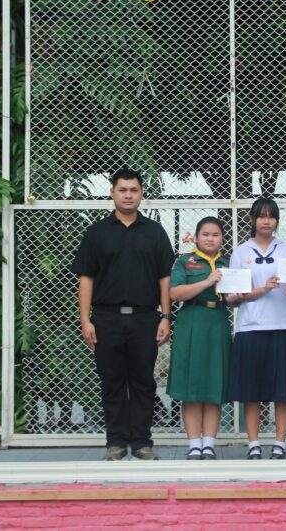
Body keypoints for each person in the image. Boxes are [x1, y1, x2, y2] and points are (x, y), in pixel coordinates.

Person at [72, 168, 175, 461]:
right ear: (112, 193)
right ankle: (115, 442)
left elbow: (165, 278)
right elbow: (86, 279)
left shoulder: (155, 232)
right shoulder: (96, 233)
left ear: (141, 193)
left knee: (144, 382)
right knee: (112, 382)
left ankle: (142, 442)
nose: (128, 195)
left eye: (133, 190)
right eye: (123, 190)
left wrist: (166, 317)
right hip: (106, 318)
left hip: (145, 318)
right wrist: (85, 320)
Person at [226, 197, 286, 460]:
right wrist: (260, 290)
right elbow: (232, 298)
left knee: (283, 391)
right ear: (251, 219)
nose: (266, 221)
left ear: (276, 221)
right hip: (249, 328)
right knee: (251, 391)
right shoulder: (241, 252)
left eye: (271, 216)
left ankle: (280, 444)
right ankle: (253, 444)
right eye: (261, 216)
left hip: (284, 325)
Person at [167, 216, 230, 460]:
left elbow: (234, 298)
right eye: (205, 234)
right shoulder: (185, 261)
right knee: (191, 386)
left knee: (214, 385)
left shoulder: (228, 263)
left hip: (217, 322)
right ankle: (194, 444)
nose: (210, 238)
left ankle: (209, 444)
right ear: (196, 237)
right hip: (191, 322)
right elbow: (175, 293)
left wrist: (236, 296)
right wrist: (207, 281)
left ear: (222, 238)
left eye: (215, 234)